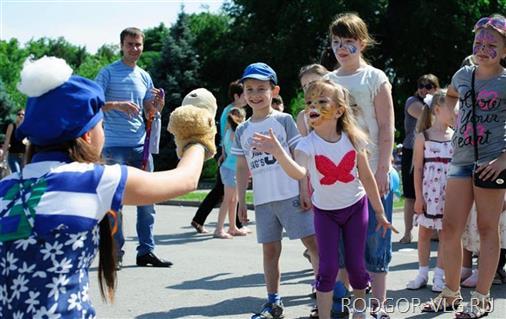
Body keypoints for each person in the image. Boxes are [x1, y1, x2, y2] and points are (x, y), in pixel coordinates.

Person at [0, 56, 209, 317]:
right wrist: (197, 138)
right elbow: (185, 180)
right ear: (87, 135)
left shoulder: (5, 187)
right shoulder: (93, 180)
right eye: (101, 124)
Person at [251, 79, 396, 319]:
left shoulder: (353, 140)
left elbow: (367, 178)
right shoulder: (307, 145)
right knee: (327, 269)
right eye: (309, 102)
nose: (312, 106)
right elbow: (299, 173)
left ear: (339, 110)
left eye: (321, 101)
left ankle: (359, 314)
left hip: (355, 208)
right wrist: (278, 152)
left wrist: (379, 212)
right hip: (325, 213)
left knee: (357, 268)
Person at [422, 14, 506, 318]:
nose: (483, 47)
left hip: (491, 163)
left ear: (505, 50)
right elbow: (453, 95)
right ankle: (451, 293)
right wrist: (455, 112)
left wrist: (502, 161)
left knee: (486, 230)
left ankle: (481, 299)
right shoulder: (462, 75)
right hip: (460, 160)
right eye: (478, 42)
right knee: (449, 229)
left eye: (492, 44)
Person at [232, 62, 318, 319]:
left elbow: (299, 155)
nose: (255, 94)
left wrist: (304, 188)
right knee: (270, 252)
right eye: (249, 89)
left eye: (261, 88)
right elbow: (240, 167)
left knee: (314, 246)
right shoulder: (242, 129)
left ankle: (328, 292)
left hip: (290, 195)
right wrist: (241, 201)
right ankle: (273, 302)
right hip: (263, 201)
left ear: (274, 90)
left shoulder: (284, 120)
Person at [325, 13, 395, 318]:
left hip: (376, 172)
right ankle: (355, 307)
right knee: (344, 249)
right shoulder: (328, 81)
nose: (341, 48)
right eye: (336, 42)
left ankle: (378, 307)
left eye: (349, 42)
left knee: (375, 246)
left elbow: (387, 127)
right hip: (340, 179)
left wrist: (383, 170)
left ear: (362, 43)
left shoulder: (375, 78)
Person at [95, 27, 169, 269]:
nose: (135, 49)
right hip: (113, 147)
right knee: (114, 203)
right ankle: (115, 252)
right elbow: (93, 103)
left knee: (148, 202)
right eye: (130, 44)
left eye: (138, 45)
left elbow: (148, 110)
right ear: (121, 45)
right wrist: (117, 105)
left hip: (141, 147)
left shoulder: (144, 76)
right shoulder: (107, 73)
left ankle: (146, 252)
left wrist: (156, 106)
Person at [406, 90, 454, 293]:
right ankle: (422, 273)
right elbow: (417, 169)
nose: (455, 112)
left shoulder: (456, 137)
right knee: (424, 233)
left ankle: (440, 275)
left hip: (449, 195)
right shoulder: (423, 137)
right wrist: (418, 198)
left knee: (445, 234)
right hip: (428, 194)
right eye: (451, 108)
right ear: (437, 109)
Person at [191, 80, 247, 234]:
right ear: (236, 96)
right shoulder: (232, 112)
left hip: (227, 156)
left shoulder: (232, 109)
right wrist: (224, 153)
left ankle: (234, 225)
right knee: (222, 192)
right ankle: (220, 225)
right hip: (228, 158)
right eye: (245, 94)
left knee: (225, 192)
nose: (248, 98)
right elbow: (226, 135)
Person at [399, 74, 439, 244]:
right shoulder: (412, 101)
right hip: (412, 150)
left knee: (435, 190)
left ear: (435, 88)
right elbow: (428, 118)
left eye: (429, 86)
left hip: (433, 150)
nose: (424, 89)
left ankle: (436, 231)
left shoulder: (438, 104)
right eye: (421, 85)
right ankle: (407, 233)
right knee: (410, 195)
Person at [213, 107, 247, 239]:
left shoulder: (228, 132)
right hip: (230, 169)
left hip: (232, 169)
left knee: (234, 200)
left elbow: (224, 151)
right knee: (228, 200)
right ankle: (218, 229)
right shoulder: (235, 133)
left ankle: (233, 227)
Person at [296, 64, 330, 137]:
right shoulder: (303, 117)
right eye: (305, 86)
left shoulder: (340, 109)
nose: (309, 89)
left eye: (313, 83)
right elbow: (304, 146)